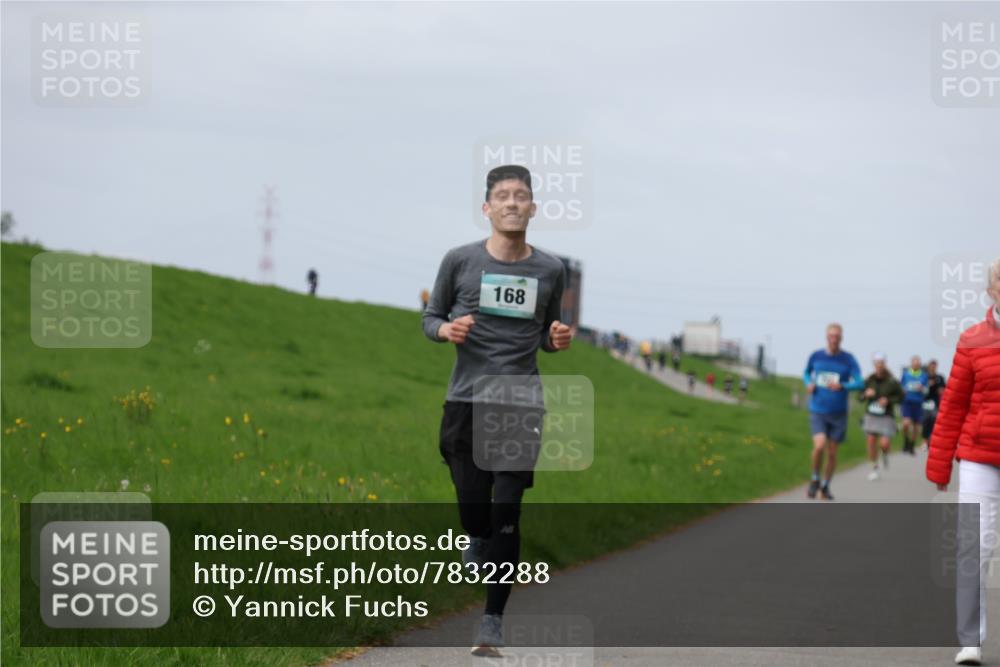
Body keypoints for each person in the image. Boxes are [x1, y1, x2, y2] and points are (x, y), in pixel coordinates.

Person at [422, 164, 571, 657]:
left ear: (533, 208)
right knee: (473, 506)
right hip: (465, 399)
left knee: (507, 508)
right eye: (502, 196)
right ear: (487, 208)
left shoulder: (551, 270)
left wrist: (556, 340)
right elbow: (430, 317)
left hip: (520, 401)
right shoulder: (459, 261)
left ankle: (491, 621)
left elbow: (548, 333)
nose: (512, 202)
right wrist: (446, 331)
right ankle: (476, 537)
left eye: (521, 195)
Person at [925, 256, 1000, 667]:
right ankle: (970, 641)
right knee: (974, 546)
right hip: (979, 454)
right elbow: (952, 404)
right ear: (992, 291)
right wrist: (940, 464)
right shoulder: (973, 339)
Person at [802, 323, 864, 500]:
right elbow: (806, 373)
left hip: (838, 412)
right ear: (826, 337)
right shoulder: (816, 356)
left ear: (841, 338)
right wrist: (808, 383)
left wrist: (843, 385)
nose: (834, 339)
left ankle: (826, 485)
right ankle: (815, 478)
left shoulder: (848, 359)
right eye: (831, 336)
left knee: (832, 452)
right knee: (819, 445)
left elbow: (859, 382)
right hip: (818, 409)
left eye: (837, 336)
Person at [859, 352, 904, 481]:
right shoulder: (869, 380)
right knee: (871, 440)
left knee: (884, 443)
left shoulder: (892, 381)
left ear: (885, 364)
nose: (879, 365)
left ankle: (884, 454)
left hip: (886, 416)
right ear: (874, 364)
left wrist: (888, 400)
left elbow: (901, 397)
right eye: (877, 363)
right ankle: (874, 468)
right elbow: (859, 397)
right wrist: (865, 395)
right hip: (871, 415)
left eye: (882, 362)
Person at [900, 355, 929, 454]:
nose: (916, 364)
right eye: (914, 362)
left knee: (917, 427)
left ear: (920, 364)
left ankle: (912, 444)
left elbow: (926, 390)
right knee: (906, 424)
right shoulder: (905, 374)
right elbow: (901, 386)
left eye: (918, 363)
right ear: (911, 363)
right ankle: (906, 441)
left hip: (918, 403)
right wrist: (902, 391)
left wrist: (922, 389)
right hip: (907, 402)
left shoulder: (924, 375)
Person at [919, 359, 946, 453]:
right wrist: (926, 385)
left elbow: (943, 389)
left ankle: (932, 440)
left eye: (934, 366)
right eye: (931, 366)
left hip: (935, 403)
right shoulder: (924, 377)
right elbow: (919, 387)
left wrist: (940, 390)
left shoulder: (940, 377)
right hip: (925, 402)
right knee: (925, 421)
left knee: (934, 420)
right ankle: (925, 440)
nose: (933, 368)